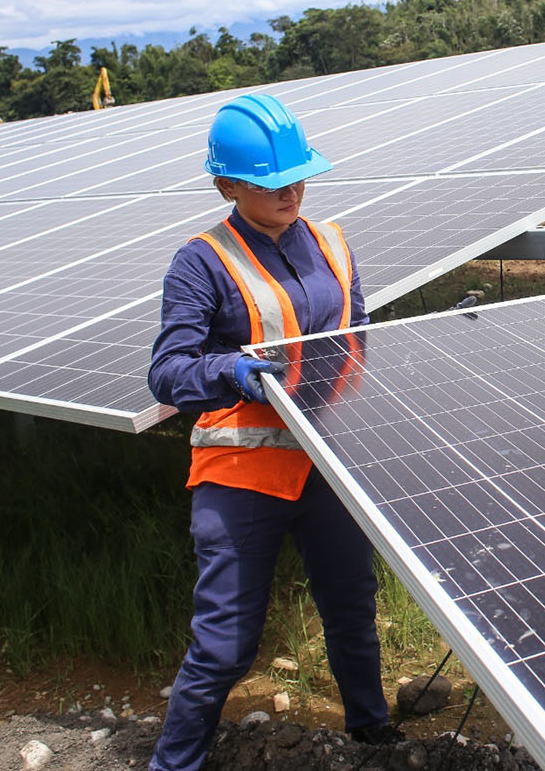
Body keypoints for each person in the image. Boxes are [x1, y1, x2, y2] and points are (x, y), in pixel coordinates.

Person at [147, 94, 398, 770]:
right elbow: (167, 372)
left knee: (351, 606)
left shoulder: (333, 243)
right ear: (228, 185)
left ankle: (372, 734)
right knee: (225, 643)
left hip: (329, 459)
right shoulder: (202, 262)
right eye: (271, 182)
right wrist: (229, 370)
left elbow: (358, 338)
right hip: (244, 472)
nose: (291, 192)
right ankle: (174, 763)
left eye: (299, 177)